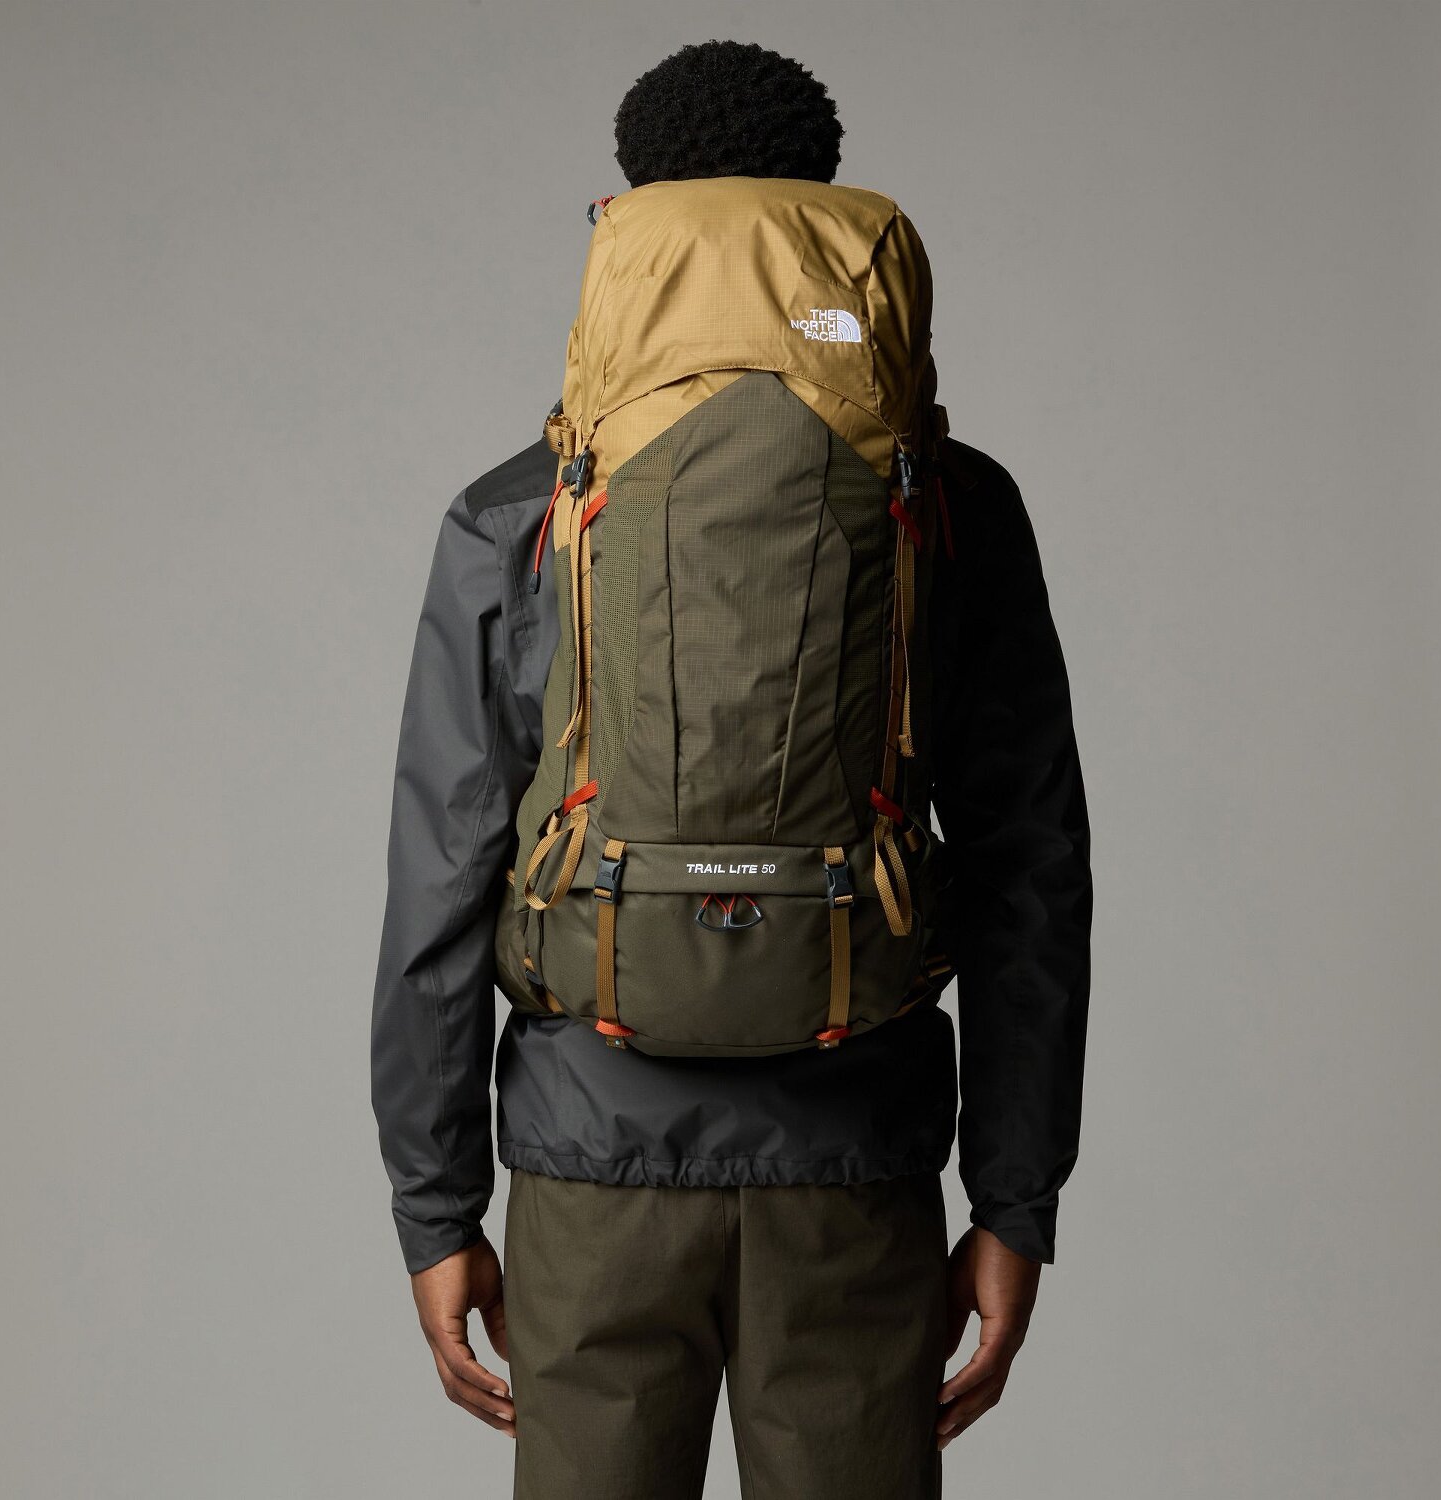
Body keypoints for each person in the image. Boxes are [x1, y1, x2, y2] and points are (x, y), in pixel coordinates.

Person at [371, 39, 1092, 1500]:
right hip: (858, 1166)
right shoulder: (947, 508)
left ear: (630, 216)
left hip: (588, 1168)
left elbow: (441, 876)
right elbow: (1030, 869)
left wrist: (436, 1209)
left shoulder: (520, 514)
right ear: (820, 209)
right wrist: (1015, 1200)